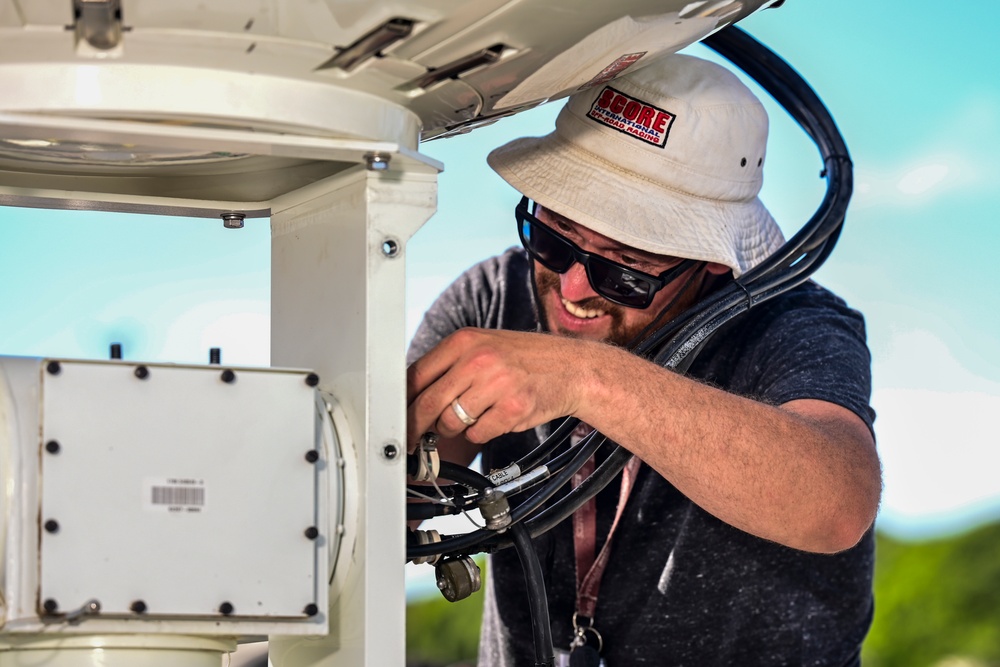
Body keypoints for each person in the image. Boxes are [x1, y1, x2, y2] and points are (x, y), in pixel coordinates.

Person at [406, 54, 880, 667]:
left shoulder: (791, 326)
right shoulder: (490, 298)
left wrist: (585, 378)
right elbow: (379, 492)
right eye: (552, 237)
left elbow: (835, 502)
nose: (573, 287)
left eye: (622, 267)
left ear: (712, 259)